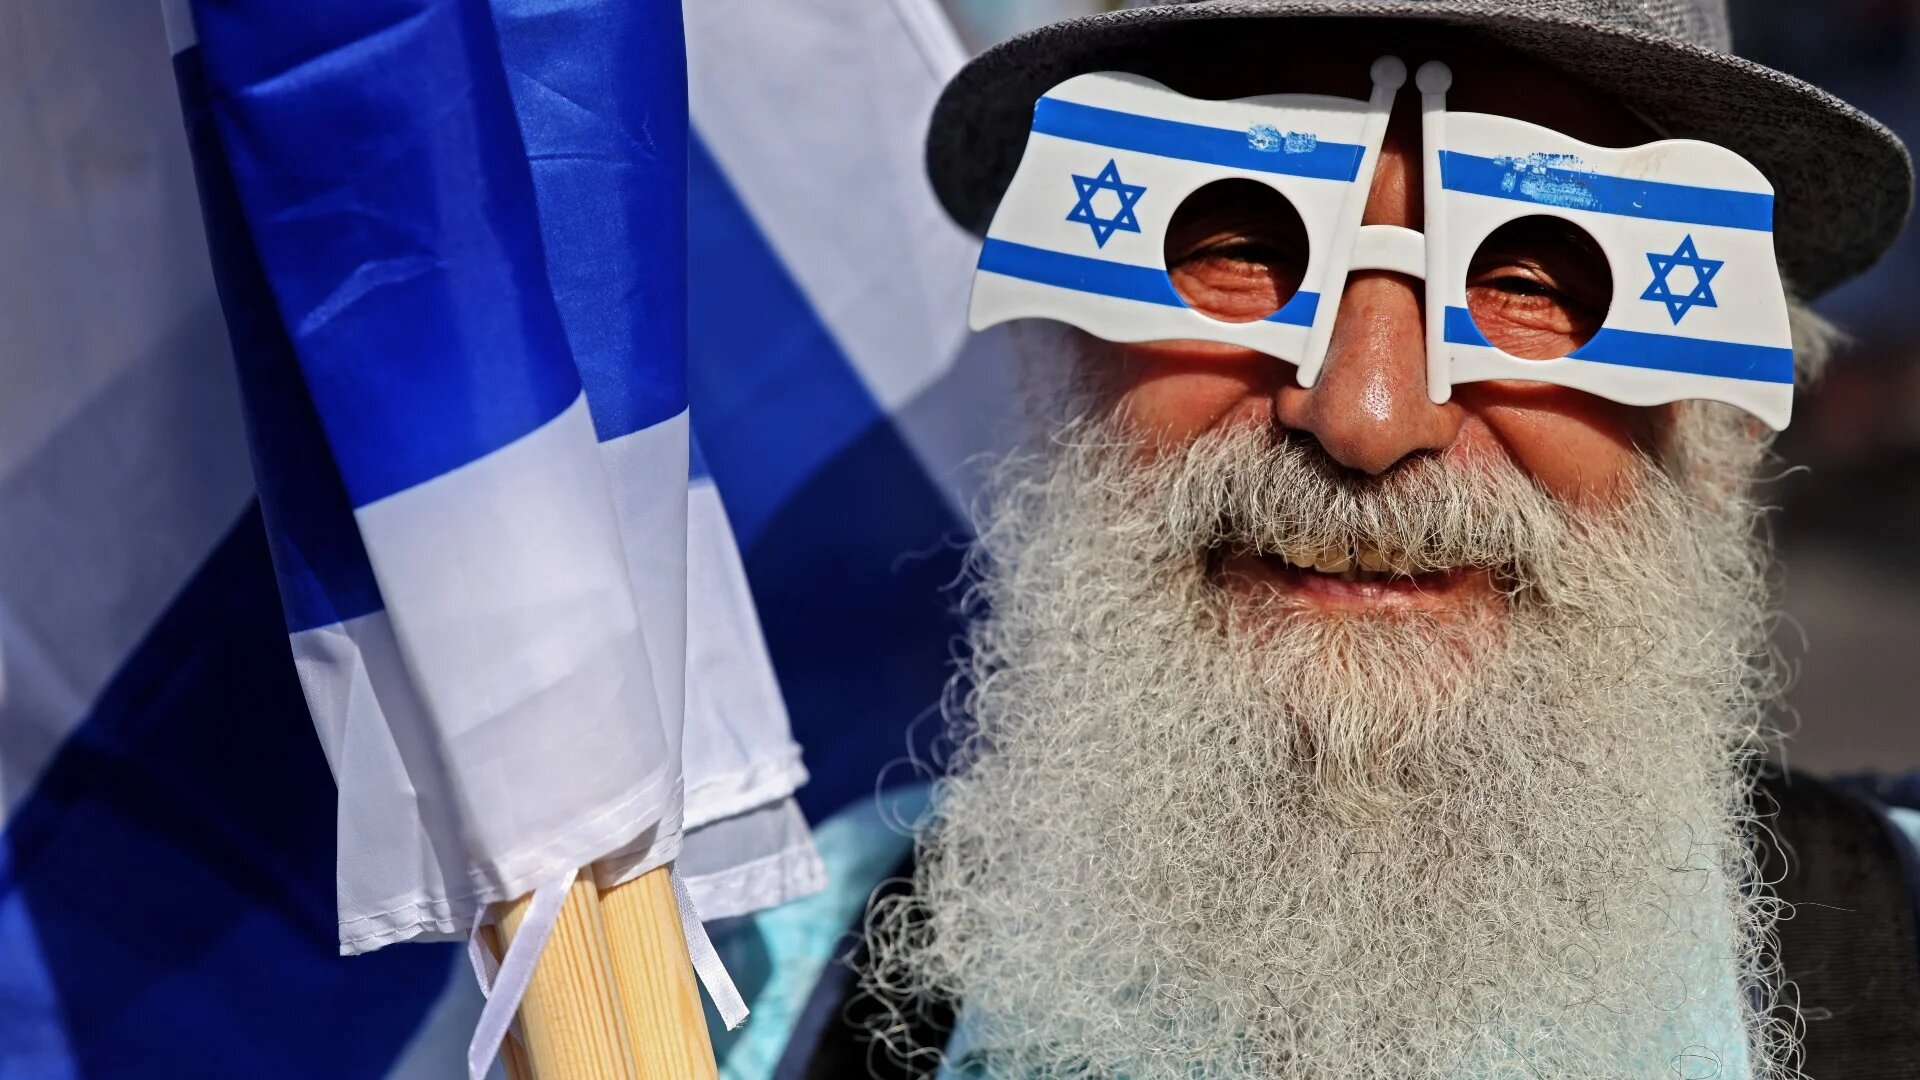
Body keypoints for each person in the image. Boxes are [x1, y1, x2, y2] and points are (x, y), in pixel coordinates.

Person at [706, 2, 1918, 1076]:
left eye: (1541, 276)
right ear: (1056, 367)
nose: (1367, 415)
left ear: (1713, 434)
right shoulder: (762, 989)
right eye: (1237, 242)